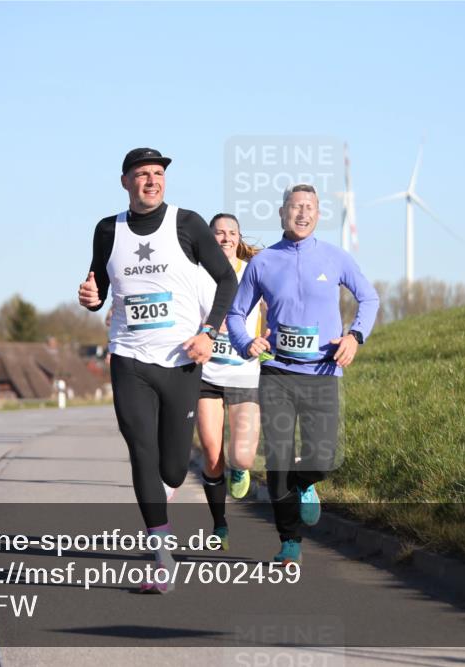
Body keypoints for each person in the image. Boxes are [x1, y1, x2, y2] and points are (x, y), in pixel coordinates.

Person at [78, 148, 237, 592]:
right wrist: (90, 297)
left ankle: (165, 494)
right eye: (143, 174)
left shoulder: (187, 224)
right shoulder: (108, 229)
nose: (152, 181)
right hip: (129, 358)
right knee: (141, 450)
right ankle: (162, 558)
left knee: (170, 466)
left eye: (158, 174)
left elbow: (228, 280)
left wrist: (208, 331)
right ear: (125, 181)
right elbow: (99, 288)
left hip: (181, 361)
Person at [226, 183, 379, 567]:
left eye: (309, 207)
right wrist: (247, 343)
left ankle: (304, 482)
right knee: (277, 459)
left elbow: (370, 298)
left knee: (323, 458)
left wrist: (355, 336)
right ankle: (289, 541)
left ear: (318, 214)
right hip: (277, 373)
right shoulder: (263, 263)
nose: (302, 213)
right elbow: (234, 313)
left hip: (323, 372)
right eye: (295, 207)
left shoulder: (335, 257)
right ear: (282, 213)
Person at [196, 214, 265, 551]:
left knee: (244, 457)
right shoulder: (195, 272)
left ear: (239, 238)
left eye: (231, 233)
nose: (224, 238)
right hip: (206, 376)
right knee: (211, 454)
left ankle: (239, 469)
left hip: (243, 373)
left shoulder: (252, 271)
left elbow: (276, 307)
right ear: (209, 238)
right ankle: (219, 524)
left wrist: (272, 336)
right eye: (218, 233)